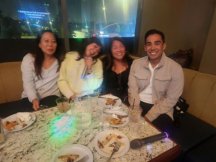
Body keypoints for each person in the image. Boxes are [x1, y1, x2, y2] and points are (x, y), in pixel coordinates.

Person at [128, 29, 184, 131]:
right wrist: (135, 110)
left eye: (157, 43)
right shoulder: (136, 63)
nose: (152, 47)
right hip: (136, 103)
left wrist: (148, 117)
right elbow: (132, 89)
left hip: (161, 108)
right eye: (149, 44)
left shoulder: (176, 68)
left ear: (164, 46)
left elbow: (171, 99)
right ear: (145, 48)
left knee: (148, 133)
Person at [21, 30, 62, 111]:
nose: (50, 44)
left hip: (52, 99)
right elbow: (28, 83)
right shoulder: (29, 59)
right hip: (30, 99)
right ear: (39, 44)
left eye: (54, 42)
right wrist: (34, 98)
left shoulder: (60, 61)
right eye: (46, 41)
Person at [101, 37, 133, 104]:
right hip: (108, 103)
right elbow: (102, 87)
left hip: (128, 104)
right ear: (110, 50)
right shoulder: (104, 65)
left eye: (121, 46)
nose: (119, 50)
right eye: (115, 48)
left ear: (125, 48)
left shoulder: (133, 64)